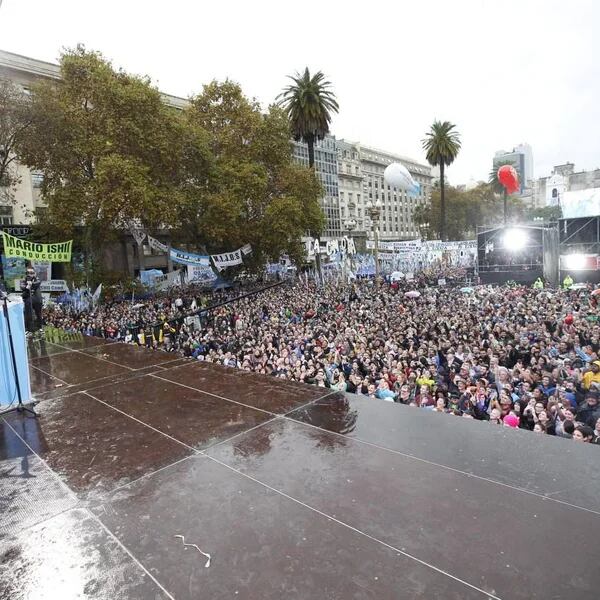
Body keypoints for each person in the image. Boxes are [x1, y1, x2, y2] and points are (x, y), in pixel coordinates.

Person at [20, 266, 42, 334]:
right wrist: (27, 286)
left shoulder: (37, 279)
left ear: (34, 273)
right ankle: (28, 329)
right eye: (28, 273)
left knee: (38, 314)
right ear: (26, 273)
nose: (29, 274)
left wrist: (31, 283)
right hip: (28, 299)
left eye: (31, 272)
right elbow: (22, 287)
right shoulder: (23, 280)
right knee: (28, 315)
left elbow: (38, 282)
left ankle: (40, 327)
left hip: (37, 300)